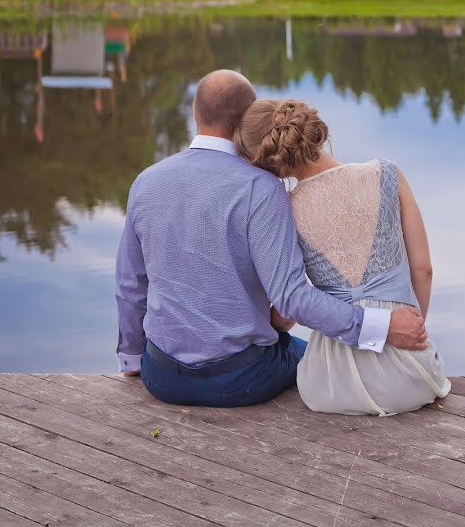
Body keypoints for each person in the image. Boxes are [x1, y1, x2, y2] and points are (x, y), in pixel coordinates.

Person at [115, 70, 427, 407]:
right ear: (246, 121)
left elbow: (131, 283)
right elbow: (290, 297)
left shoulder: (145, 182)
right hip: (241, 380)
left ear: (195, 112)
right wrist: (380, 326)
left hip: (161, 377)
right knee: (323, 359)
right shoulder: (261, 189)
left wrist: (132, 358)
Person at [236, 99, 451, 415]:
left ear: (270, 161)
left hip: (332, 384)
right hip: (411, 377)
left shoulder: (285, 209)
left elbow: (288, 311)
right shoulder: (387, 174)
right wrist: (413, 332)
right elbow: (424, 269)